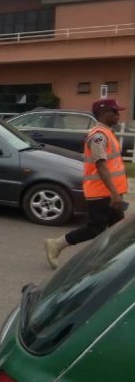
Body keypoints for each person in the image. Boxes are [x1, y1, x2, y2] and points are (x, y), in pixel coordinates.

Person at [45, 99, 129, 269]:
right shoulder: (98, 136)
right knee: (95, 229)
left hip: (111, 191)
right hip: (101, 193)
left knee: (118, 229)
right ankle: (57, 244)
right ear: (103, 113)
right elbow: (101, 165)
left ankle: (109, 262)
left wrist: (116, 192)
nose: (118, 115)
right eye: (114, 111)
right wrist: (114, 193)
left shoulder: (107, 133)